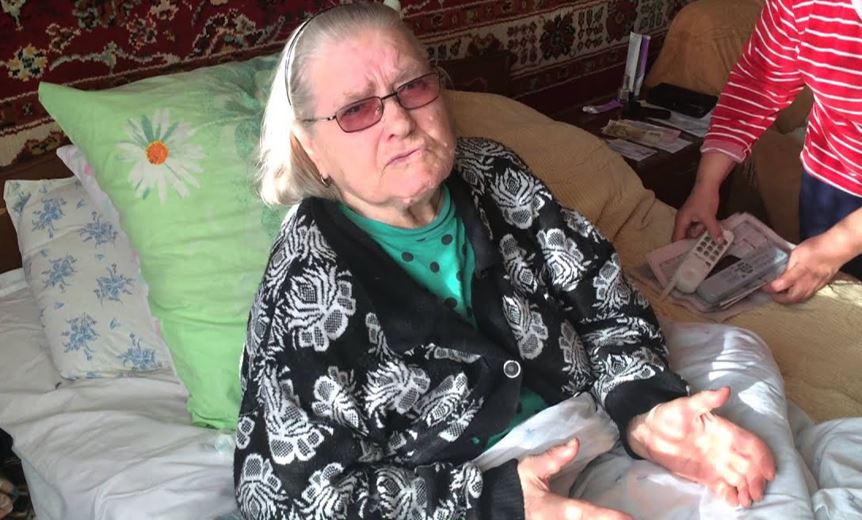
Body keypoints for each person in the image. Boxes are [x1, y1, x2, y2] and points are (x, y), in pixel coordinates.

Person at [235, 4, 775, 519]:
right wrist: (493, 503)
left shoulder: (493, 172)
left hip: (593, 429)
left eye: (413, 86)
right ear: (310, 147)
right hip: (464, 496)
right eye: (356, 110)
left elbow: (605, 304)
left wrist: (647, 414)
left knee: (758, 458)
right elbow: (286, 499)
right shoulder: (304, 286)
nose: (399, 121)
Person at [673, 0, 862, 303]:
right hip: (833, 180)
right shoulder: (801, 5)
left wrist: (837, 246)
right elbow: (757, 85)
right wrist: (706, 183)